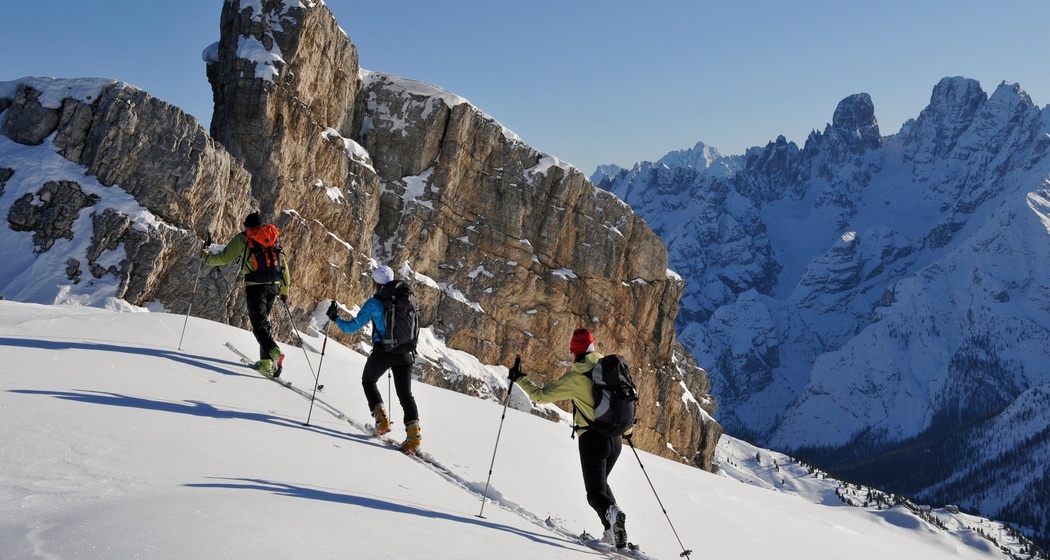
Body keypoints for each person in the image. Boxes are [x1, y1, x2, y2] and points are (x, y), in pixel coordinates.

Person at [509, 328, 631, 549]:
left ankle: (615, 514)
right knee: (602, 486)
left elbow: (540, 396)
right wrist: (627, 432)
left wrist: (520, 379)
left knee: (594, 493)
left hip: (593, 440)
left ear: (574, 352)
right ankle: (611, 531)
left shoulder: (576, 377)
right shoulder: (610, 369)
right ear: (593, 348)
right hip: (615, 441)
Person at [326, 265, 421, 453]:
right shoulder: (406, 297)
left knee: (368, 381)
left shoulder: (374, 303)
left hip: (384, 352)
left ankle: (382, 421)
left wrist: (334, 318)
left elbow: (351, 328)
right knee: (405, 396)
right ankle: (413, 438)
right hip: (405, 352)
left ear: (375, 282)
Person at [202, 212, 290, 376]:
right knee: (264, 323)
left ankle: (274, 352)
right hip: (274, 286)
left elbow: (224, 257)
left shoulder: (244, 238)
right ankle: (266, 362)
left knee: (258, 324)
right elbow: (283, 263)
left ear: (247, 226)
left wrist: (205, 258)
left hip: (256, 285)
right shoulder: (272, 237)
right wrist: (285, 290)